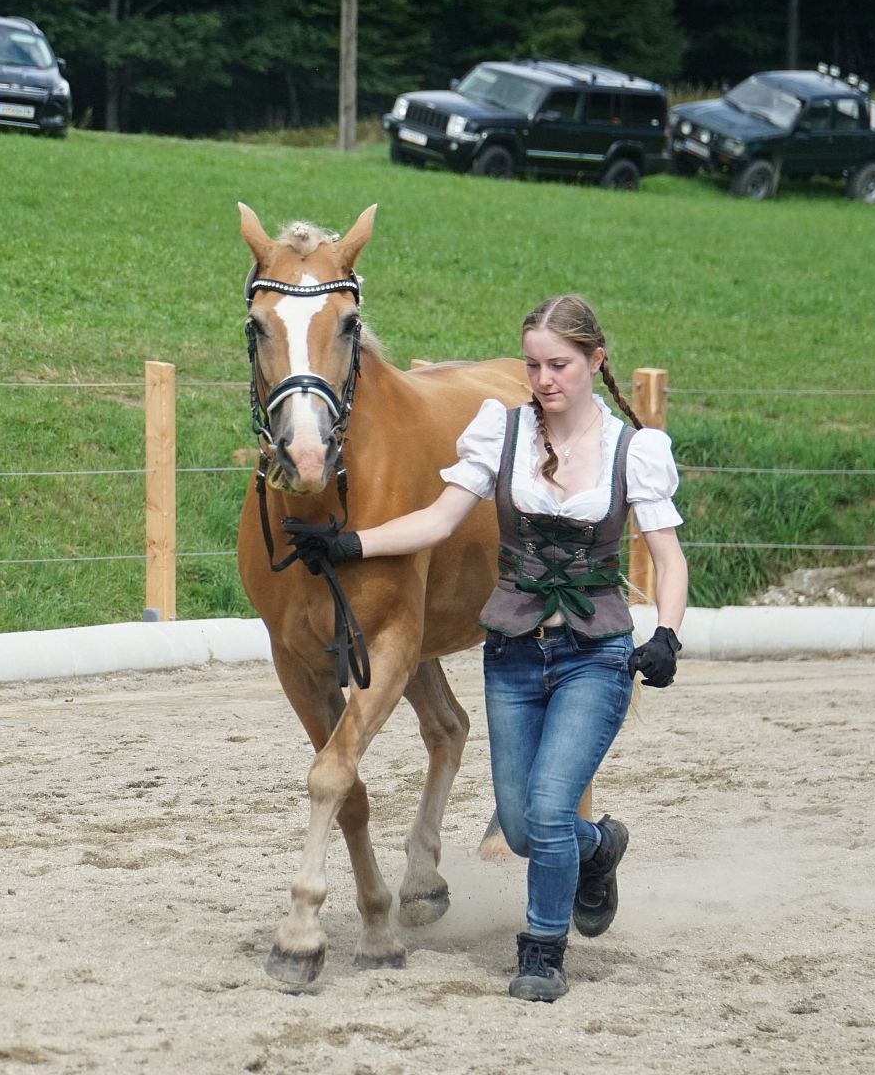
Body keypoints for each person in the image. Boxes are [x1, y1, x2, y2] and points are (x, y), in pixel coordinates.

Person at [284, 294, 688, 1003]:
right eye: (532, 365)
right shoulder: (500, 434)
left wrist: (667, 633)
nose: (543, 379)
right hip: (513, 655)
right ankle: (601, 847)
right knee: (527, 827)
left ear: (595, 360)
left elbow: (669, 556)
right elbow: (438, 520)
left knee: (551, 813)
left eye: (559, 365)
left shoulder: (634, 451)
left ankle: (542, 951)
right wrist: (349, 544)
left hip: (595, 653)